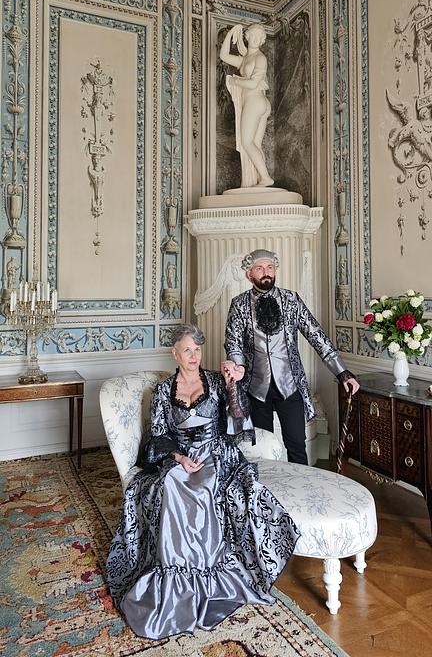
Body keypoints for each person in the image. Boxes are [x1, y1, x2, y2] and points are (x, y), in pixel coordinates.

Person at [106, 323, 300, 640]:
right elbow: (158, 436)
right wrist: (180, 458)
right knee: (171, 484)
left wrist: (233, 385)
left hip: (216, 453)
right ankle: (175, 581)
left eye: (197, 350)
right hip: (180, 456)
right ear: (175, 353)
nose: (194, 356)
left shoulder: (216, 381)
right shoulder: (163, 391)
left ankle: (210, 579)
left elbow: (238, 420)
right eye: (187, 350)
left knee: (207, 487)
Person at [223, 249, 359, 465]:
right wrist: (238, 366)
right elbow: (233, 342)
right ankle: (265, 486)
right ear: (249, 274)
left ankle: (301, 485)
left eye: (270, 267)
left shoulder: (291, 300)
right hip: (255, 388)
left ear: (275, 270)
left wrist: (341, 371)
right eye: (260, 268)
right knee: (261, 449)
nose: (266, 272)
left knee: (297, 446)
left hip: (290, 385)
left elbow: (316, 335)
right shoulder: (239, 304)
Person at [219, 23, 273, 188]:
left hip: (255, 101)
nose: (256, 39)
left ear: (262, 40)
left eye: (259, 37)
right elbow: (223, 55)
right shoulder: (244, 60)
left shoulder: (260, 58)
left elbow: (254, 83)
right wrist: (232, 33)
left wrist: (235, 81)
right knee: (254, 145)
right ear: (247, 37)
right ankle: (258, 179)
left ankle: (265, 178)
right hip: (255, 102)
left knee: (246, 143)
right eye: (253, 35)